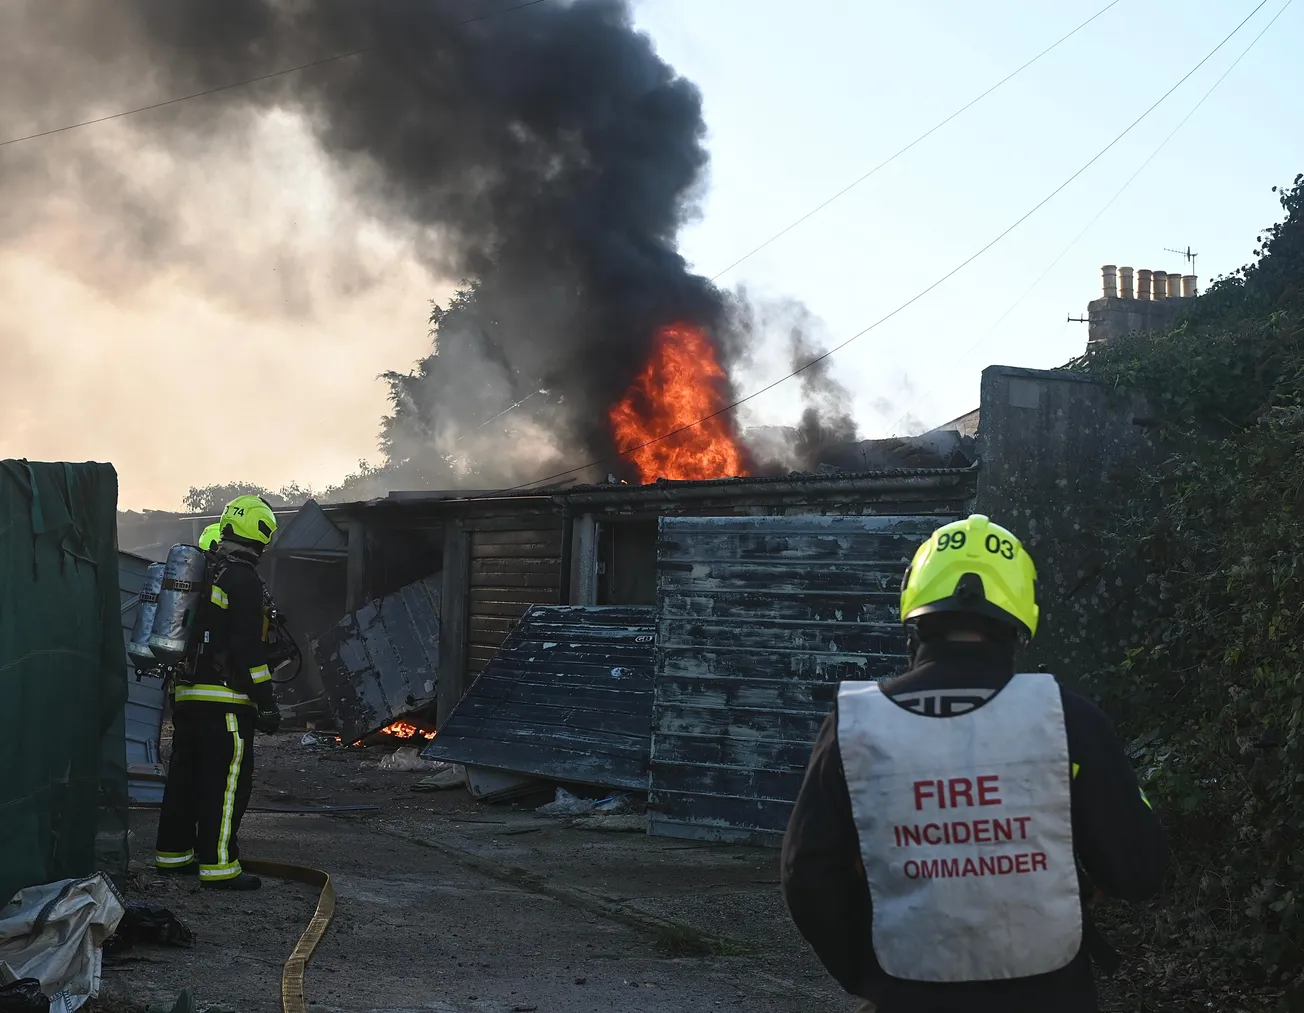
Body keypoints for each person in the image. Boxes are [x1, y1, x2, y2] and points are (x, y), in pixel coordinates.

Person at [781, 514, 1165, 1013]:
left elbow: (806, 875)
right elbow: (1137, 871)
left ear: (915, 611)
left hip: (906, 994)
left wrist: (872, 975)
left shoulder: (857, 724)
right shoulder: (1068, 720)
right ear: (1019, 616)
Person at [154, 495, 282, 890]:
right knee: (226, 784)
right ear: (260, 534)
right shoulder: (242, 578)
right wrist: (267, 702)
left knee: (185, 780)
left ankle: (173, 856)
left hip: (189, 700)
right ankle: (220, 866)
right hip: (226, 703)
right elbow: (247, 649)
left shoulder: (206, 573)